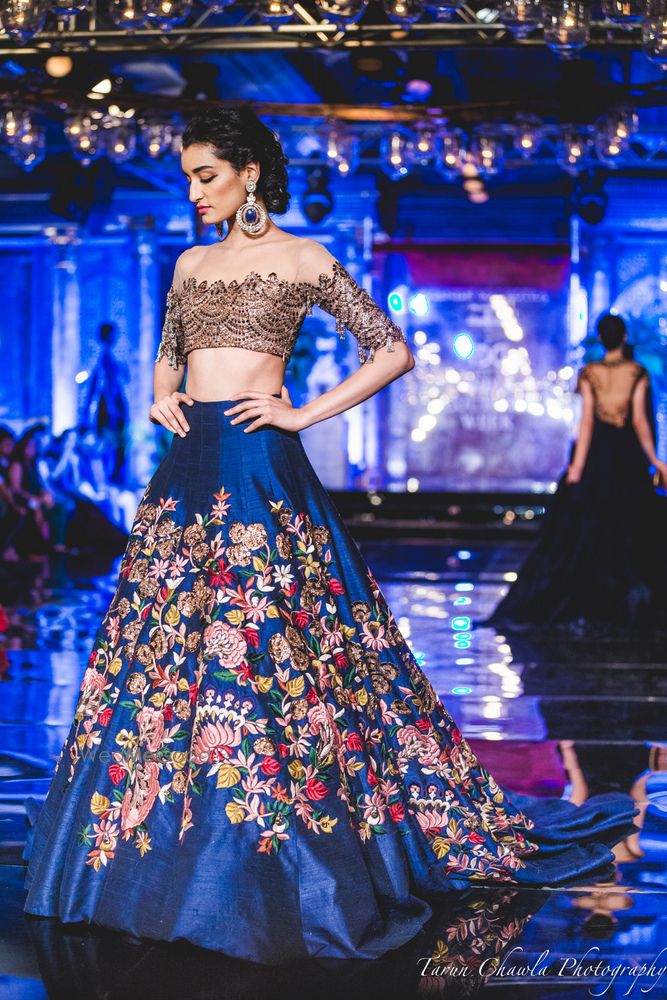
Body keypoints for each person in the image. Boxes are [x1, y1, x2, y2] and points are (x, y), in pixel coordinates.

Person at [23, 106, 638, 965]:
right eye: (189, 176)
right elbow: (169, 351)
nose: (194, 191)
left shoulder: (304, 258)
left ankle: (270, 856)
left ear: (246, 173)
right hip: (190, 466)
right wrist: (160, 392)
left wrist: (303, 412)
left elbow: (389, 350)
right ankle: (153, 854)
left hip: (261, 465)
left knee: (270, 650)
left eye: (207, 175)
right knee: (164, 653)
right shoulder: (190, 263)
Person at [487, 312, 667, 630]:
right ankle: (626, 601)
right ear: (624, 337)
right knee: (629, 527)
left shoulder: (590, 373)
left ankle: (593, 597)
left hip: (599, 457)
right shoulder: (636, 372)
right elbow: (639, 421)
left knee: (592, 527)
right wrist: (655, 458)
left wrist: (576, 468)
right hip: (627, 459)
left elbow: (585, 424)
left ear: (602, 338)